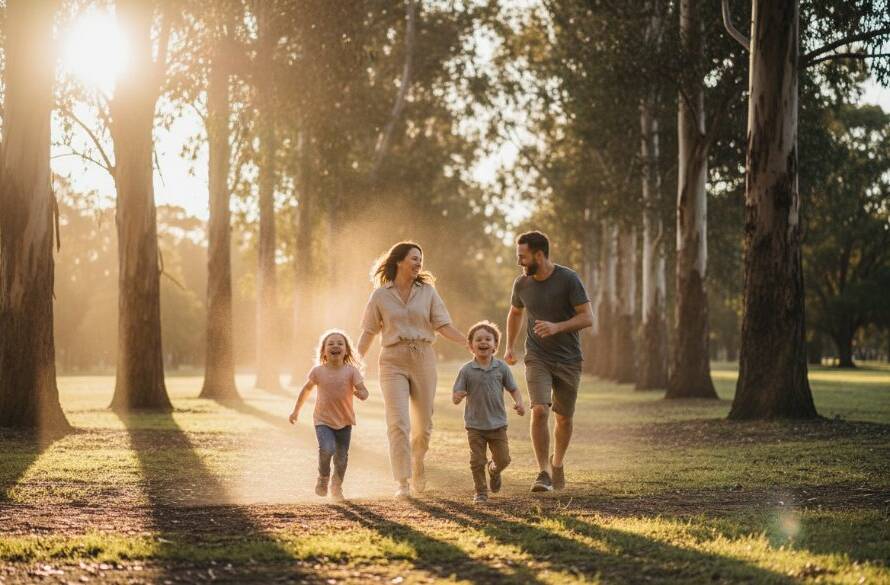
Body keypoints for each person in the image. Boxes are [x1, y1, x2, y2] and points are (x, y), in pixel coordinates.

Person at [357, 241, 466, 498]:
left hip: (423, 358)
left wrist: (468, 342)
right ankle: (402, 482)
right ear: (399, 261)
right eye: (414, 258)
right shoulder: (380, 295)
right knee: (398, 423)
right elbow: (368, 332)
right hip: (393, 359)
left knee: (423, 425)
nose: (419, 263)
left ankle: (417, 461)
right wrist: (353, 366)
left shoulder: (427, 291)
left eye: (421, 260)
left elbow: (443, 325)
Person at [504, 231, 593, 492]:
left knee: (564, 418)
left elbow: (588, 317)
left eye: (522, 256)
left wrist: (557, 327)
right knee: (540, 409)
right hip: (537, 356)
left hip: (568, 359)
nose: (519, 262)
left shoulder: (568, 279)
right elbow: (515, 312)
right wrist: (509, 346)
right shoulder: (521, 284)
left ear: (539, 255)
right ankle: (542, 472)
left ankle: (557, 463)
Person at [289, 329, 369, 502]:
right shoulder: (318, 371)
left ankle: (337, 487)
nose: (335, 346)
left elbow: (364, 390)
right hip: (322, 420)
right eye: (330, 344)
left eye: (340, 343)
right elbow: (306, 389)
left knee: (341, 458)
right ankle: (323, 478)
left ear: (346, 350)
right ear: (324, 351)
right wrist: (296, 411)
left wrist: (362, 394)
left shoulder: (351, 372)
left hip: (345, 421)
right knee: (327, 448)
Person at [453, 321, 526, 504]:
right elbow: (455, 397)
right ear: (471, 346)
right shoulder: (466, 370)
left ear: (495, 345)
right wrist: (459, 396)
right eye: (478, 339)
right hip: (475, 425)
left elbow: (514, 389)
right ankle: (480, 492)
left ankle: (494, 470)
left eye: (488, 339)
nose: (483, 342)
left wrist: (519, 403)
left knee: (504, 459)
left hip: (498, 425)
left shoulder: (501, 368)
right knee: (477, 461)